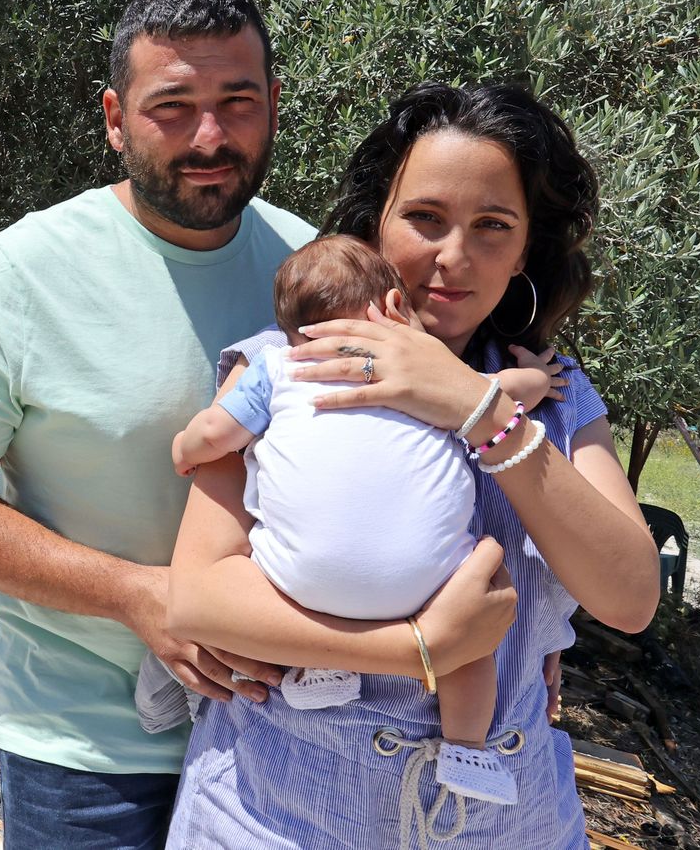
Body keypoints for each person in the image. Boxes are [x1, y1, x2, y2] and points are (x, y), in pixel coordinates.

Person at [0, 0, 439, 847]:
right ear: (115, 117)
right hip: (88, 757)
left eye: (237, 101)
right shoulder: (21, 275)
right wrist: (142, 596)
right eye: (173, 106)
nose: (210, 136)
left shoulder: (321, 268)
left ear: (272, 104)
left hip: (292, 746)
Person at [165, 82, 660, 849]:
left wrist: (474, 406)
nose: (453, 256)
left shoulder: (557, 398)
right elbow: (199, 601)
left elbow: (629, 599)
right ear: (375, 224)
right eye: (424, 218)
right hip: (273, 815)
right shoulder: (290, 365)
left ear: (526, 248)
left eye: (493, 225)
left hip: (510, 823)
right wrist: (424, 647)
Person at [138, 235, 562, 811]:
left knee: (279, 561)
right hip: (432, 585)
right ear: (393, 307)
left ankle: (317, 668)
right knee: (471, 653)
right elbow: (513, 394)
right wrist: (539, 375)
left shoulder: (275, 366)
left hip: (300, 584)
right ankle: (468, 751)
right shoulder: (435, 374)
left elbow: (216, 434)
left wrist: (183, 447)